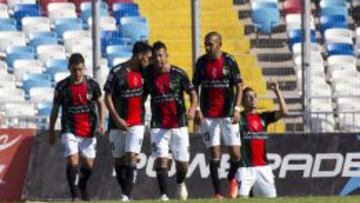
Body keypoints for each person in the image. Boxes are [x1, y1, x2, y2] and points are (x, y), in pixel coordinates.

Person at [193, 31, 243, 199]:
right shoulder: (201, 62)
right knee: (215, 153)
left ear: (219, 44)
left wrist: (237, 108)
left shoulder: (229, 61)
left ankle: (231, 177)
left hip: (228, 114)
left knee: (236, 154)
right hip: (208, 115)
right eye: (206, 43)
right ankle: (217, 193)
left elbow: (239, 86)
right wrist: (198, 109)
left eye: (211, 44)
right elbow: (194, 88)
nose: (207, 47)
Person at [145, 41, 198, 201]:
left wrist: (193, 108)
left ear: (167, 56)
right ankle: (164, 196)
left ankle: (181, 183)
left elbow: (193, 93)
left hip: (179, 124)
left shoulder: (179, 74)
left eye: (160, 56)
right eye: (155, 57)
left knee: (183, 164)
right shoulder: (148, 74)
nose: (158, 59)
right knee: (161, 161)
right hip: (158, 125)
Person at [48, 53, 105, 201]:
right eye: (74, 70)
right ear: (69, 68)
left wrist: (101, 122)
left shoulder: (92, 85)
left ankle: (82, 185)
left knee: (88, 165)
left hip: (89, 130)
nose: (78, 73)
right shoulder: (62, 87)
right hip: (70, 128)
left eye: (80, 69)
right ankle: (75, 196)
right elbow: (55, 109)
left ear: (84, 68)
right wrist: (51, 129)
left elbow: (100, 103)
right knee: (73, 159)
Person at [103, 41, 152, 201]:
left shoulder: (146, 73)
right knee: (119, 160)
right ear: (140, 55)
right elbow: (107, 96)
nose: (149, 61)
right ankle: (126, 192)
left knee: (131, 156)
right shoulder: (117, 71)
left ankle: (126, 195)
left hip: (137, 122)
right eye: (148, 57)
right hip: (116, 123)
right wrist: (116, 118)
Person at [237, 82, 288, 198]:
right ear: (242, 101)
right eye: (249, 97)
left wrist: (277, 91)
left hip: (263, 168)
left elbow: (284, 112)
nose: (253, 99)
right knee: (242, 198)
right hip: (245, 168)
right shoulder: (238, 118)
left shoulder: (264, 117)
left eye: (254, 96)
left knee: (270, 199)